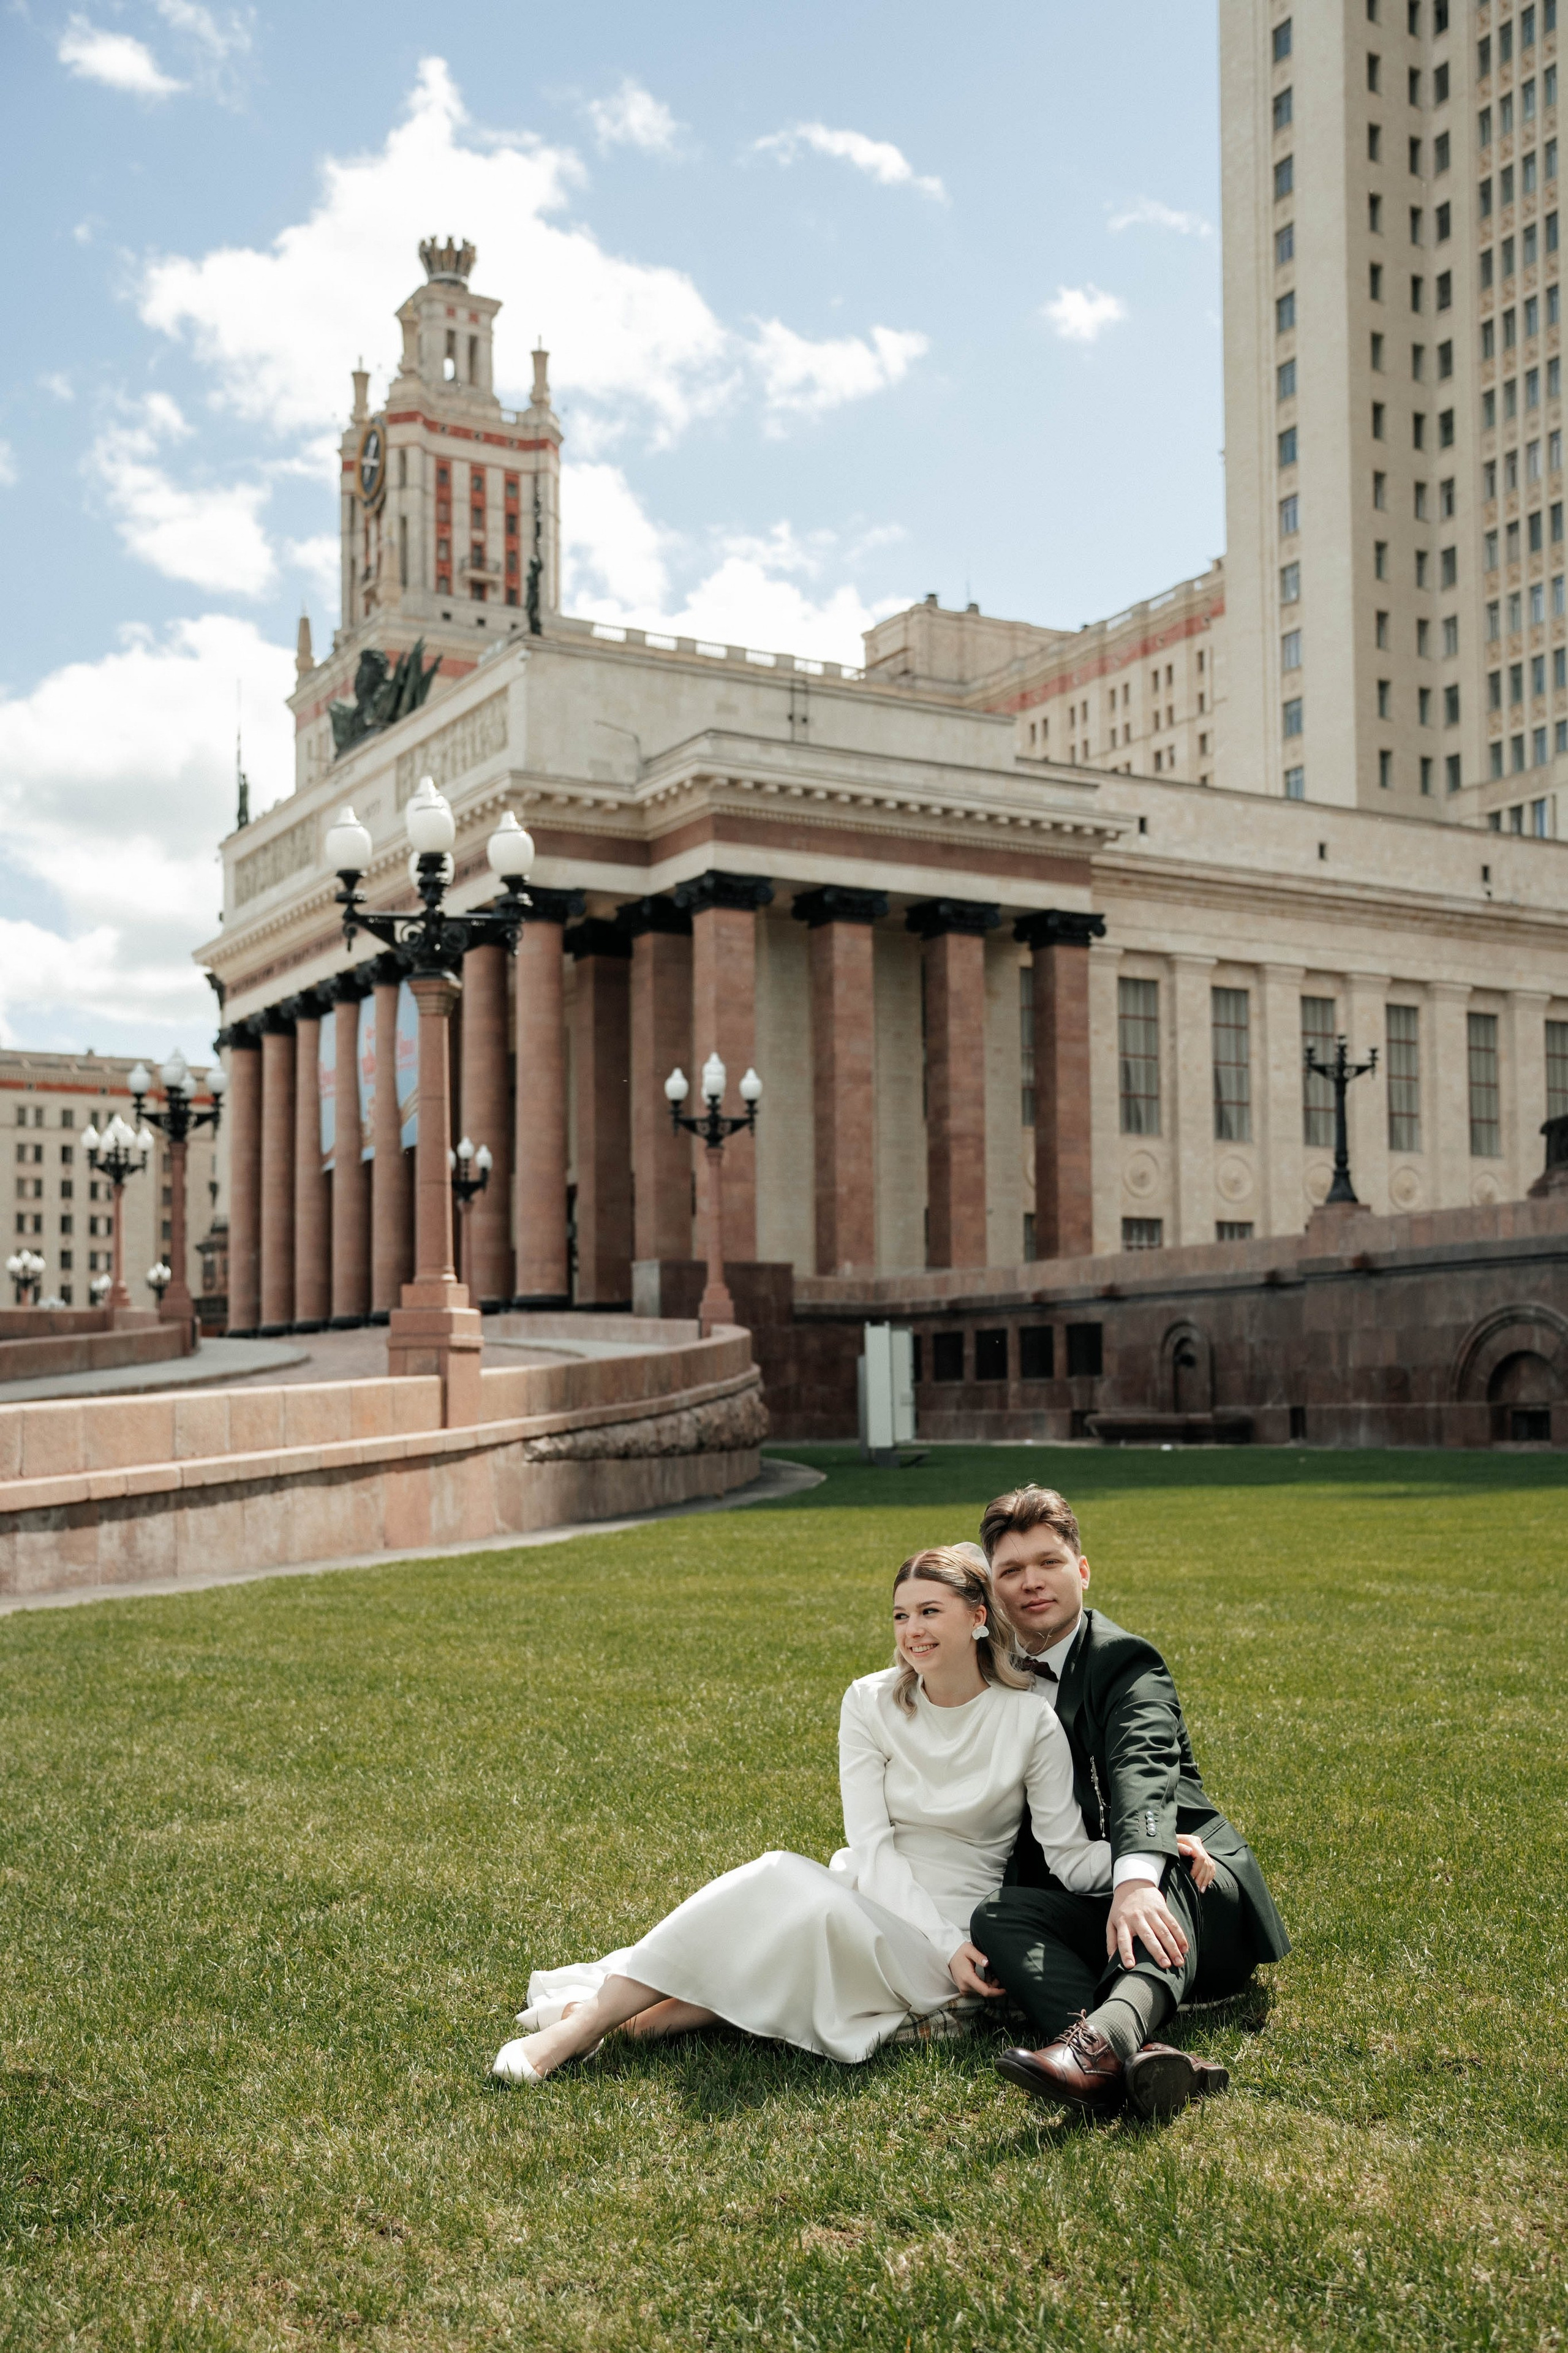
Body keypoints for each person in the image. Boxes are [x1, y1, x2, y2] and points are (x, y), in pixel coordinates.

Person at [494, 1547, 1133, 2088]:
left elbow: (1069, 1856)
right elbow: (872, 1845)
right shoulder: (869, 1701)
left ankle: (608, 2022)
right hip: (867, 1887)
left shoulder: (1027, 1720)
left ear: (977, 1617)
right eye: (901, 1614)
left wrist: (1144, 1855)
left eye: (930, 1612)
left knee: (792, 1901)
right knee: (789, 1891)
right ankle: (592, 2026)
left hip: (951, 1939)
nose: (912, 1630)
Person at [969, 1485, 1290, 2118]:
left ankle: (1100, 2045)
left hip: (1197, 1895)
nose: (1031, 1582)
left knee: (1165, 1860)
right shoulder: (986, 1672)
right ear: (992, 1588)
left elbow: (1143, 1768)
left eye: (1049, 1563)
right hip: (1087, 1895)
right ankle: (1141, 2058)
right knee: (998, 1914)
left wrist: (1136, 1875)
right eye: (1011, 1570)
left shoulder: (1125, 1662)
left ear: (1082, 1571)